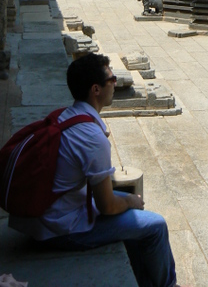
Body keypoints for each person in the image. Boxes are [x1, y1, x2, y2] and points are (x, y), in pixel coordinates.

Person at [9, 53, 186, 287]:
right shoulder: (92, 138)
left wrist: (128, 201)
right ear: (96, 89)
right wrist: (131, 201)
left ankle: (143, 279)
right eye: (111, 79)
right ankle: (168, 285)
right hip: (60, 230)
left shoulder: (66, 114)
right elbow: (107, 206)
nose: (115, 83)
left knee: (133, 212)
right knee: (155, 225)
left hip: (45, 216)